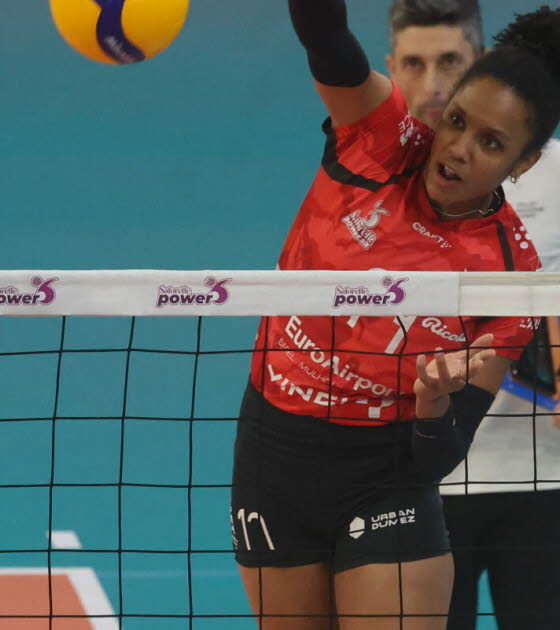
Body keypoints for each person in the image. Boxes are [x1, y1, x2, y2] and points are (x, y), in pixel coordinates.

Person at [231, 1, 559, 627]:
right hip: (274, 454)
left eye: (491, 142)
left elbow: (440, 457)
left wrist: (435, 405)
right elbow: (324, 34)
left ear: (523, 163)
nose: (459, 149)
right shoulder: (378, 140)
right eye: (458, 120)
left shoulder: (509, 276)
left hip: (387, 477)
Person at [383, 1, 560, 627]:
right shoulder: (381, 174)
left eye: (449, 63)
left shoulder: (553, 177)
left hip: (542, 483)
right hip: (415, 484)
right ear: (392, 67)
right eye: (414, 64)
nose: (431, 84)